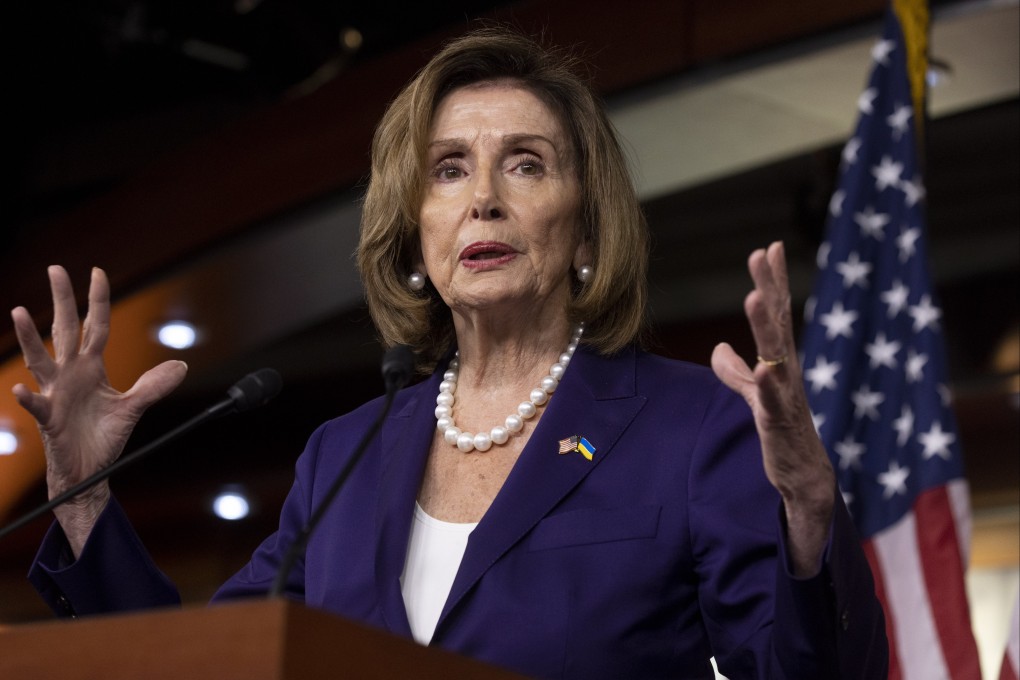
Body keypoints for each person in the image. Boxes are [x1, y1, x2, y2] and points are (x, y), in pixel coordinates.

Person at [11, 28, 887, 679]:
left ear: (586, 227)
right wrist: (82, 501)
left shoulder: (690, 427)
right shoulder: (342, 457)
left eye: (528, 165)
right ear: (415, 231)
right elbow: (207, 668)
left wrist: (811, 515)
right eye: (449, 169)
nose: (485, 201)